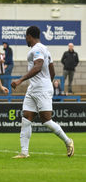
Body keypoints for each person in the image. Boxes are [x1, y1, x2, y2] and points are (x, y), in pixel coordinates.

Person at [11, 26, 74, 159]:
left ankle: (68, 141)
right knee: (26, 117)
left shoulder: (38, 49)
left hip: (41, 89)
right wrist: (47, 83)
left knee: (46, 120)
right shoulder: (45, 49)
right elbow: (52, 71)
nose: (25, 40)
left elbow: (38, 66)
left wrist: (20, 80)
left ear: (29, 36)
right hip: (34, 88)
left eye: (26, 37)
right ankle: (24, 152)